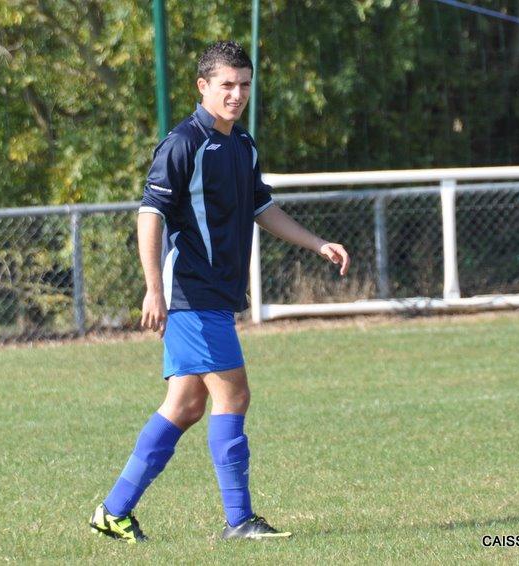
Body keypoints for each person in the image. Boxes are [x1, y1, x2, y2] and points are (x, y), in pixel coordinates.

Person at [90, 40, 350, 543]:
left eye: (244, 85)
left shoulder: (242, 144)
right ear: (203, 86)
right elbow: (150, 214)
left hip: (213, 296)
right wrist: (153, 289)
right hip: (192, 293)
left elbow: (262, 208)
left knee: (186, 406)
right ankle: (239, 520)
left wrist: (317, 244)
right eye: (227, 84)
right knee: (234, 394)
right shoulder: (183, 143)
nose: (237, 94)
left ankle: (114, 511)